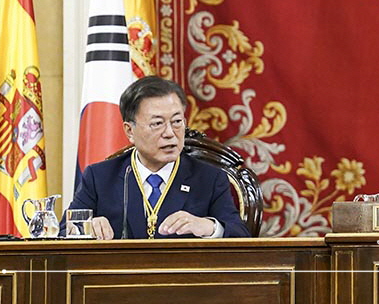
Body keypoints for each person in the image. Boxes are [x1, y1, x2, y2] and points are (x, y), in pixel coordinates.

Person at [67, 76, 250, 239]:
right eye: (157, 124)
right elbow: (63, 232)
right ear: (130, 131)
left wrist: (209, 227)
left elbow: (240, 235)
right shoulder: (100, 177)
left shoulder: (209, 178)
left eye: (177, 122)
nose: (170, 133)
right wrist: (87, 227)